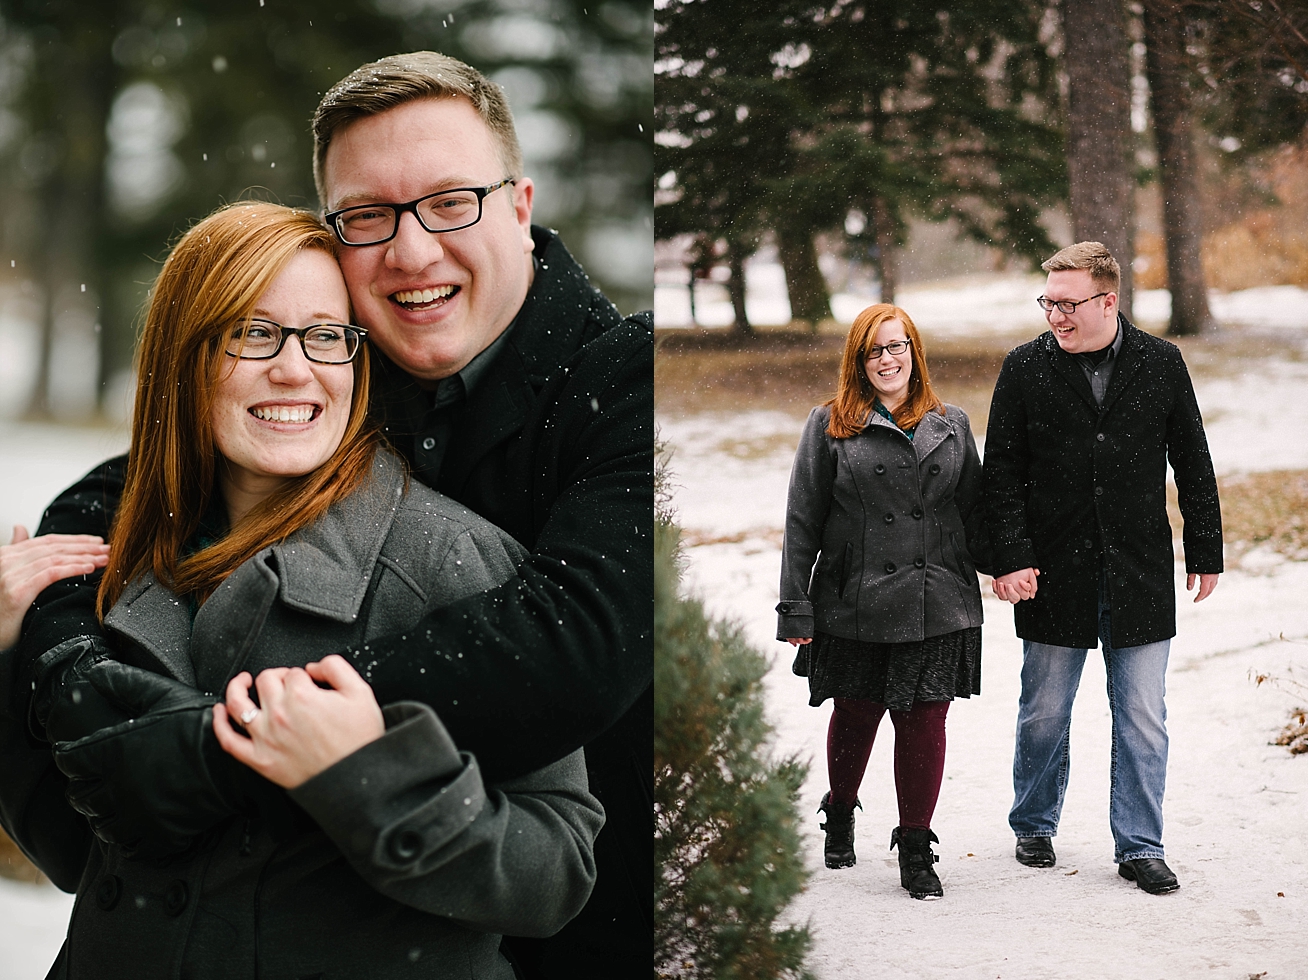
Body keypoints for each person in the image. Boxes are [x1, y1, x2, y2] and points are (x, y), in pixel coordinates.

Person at [9, 52, 651, 976]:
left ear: (520, 204)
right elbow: (140, 480)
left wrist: (228, 749)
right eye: (368, 216)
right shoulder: (344, 358)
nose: (413, 249)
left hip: (593, 935)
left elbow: (577, 647)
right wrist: (62, 650)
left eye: (450, 201)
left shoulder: (627, 383)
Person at [984, 241, 1222, 895]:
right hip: (1052, 570)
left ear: (1108, 300)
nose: (1055, 315)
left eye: (1068, 303)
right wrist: (1010, 557)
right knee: (1044, 711)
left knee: (1143, 713)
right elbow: (1000, 474)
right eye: (1048, 303)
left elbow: (1192, 460)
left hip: (1138, 567)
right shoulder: (1024, 368)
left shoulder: (1162, 363)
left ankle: (1141, 844)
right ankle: (1033, 822)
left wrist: (1205, 551)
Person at [776, 303, 988, 900]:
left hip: (937, 598)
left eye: (898, 347)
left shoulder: (952, 422)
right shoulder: (829, 425)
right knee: (858, 713)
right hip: (856, 598)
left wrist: (1011, 564)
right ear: (858, 361)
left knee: (925, 720)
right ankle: (840, 809)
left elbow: (974, 512)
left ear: (915, 353)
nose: (888, 359)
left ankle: (916, 847)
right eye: (875, 350)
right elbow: (802, 520)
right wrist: (795, 606)